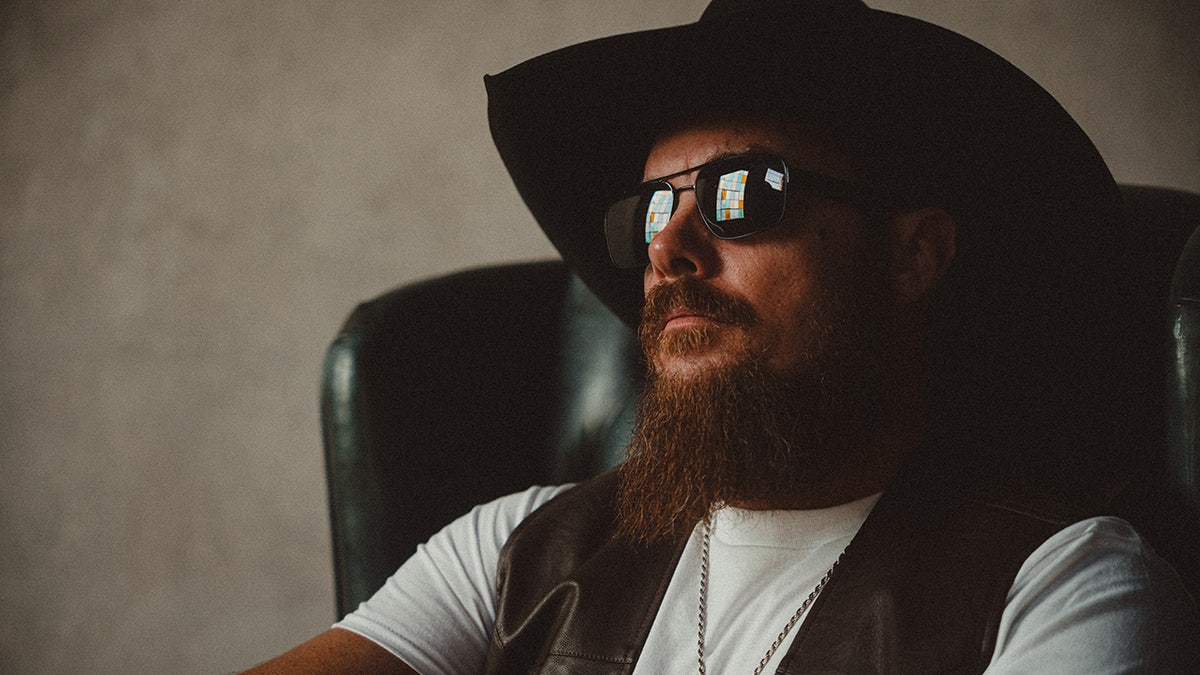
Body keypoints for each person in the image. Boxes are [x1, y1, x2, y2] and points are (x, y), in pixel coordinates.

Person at [247, 1, 1199, 672]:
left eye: (745, 194)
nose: (672, 248)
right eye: (654, 210)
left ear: (912, 256)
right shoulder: (513, 550)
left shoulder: (1065, 586)